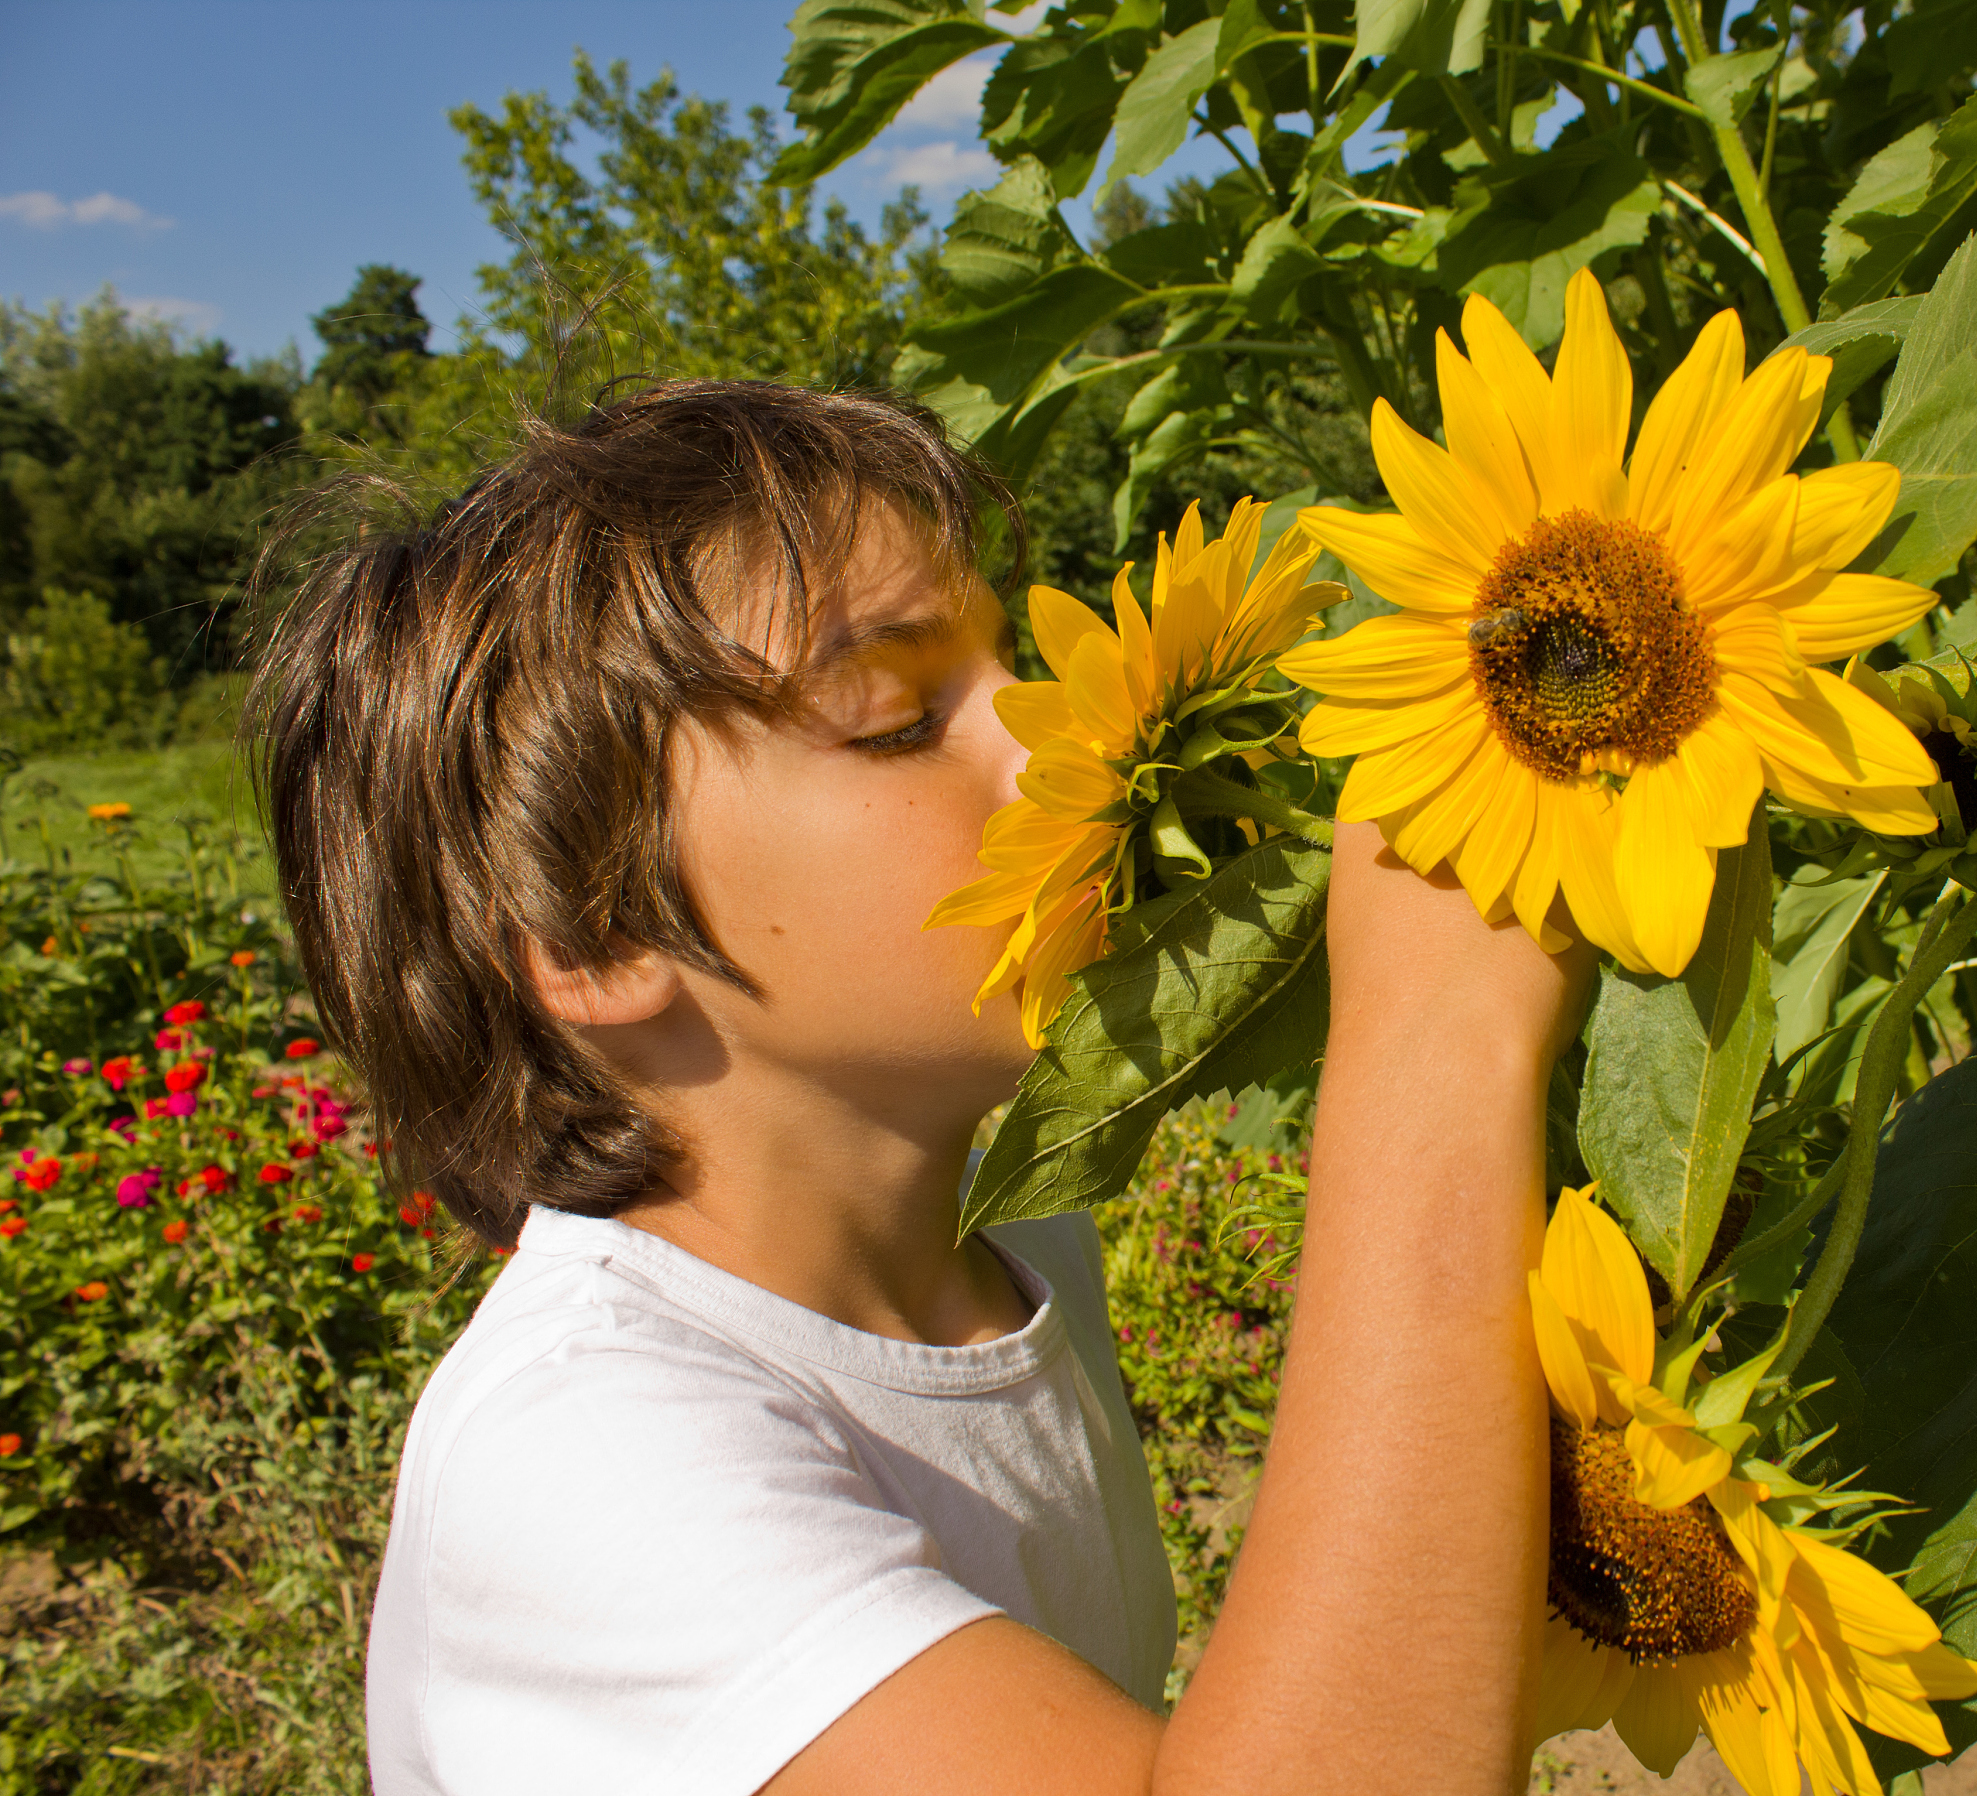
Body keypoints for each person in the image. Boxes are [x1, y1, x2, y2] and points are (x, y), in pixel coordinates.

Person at [247, 381, 1589, 1796]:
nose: (1053, 740)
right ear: (598, 933)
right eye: (898, 718)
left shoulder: (998, 1245)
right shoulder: (580, 1460)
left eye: (1013, 665)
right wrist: (1433, 1042)